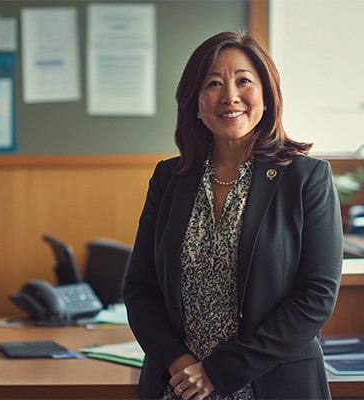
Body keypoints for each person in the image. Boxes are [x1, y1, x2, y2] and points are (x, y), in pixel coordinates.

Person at [122, 31, 343, 400]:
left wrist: (215, 373)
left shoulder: (307, 179)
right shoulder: (168, 179)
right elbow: (140, 287)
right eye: (213, 83)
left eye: (244, 81)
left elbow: (316, 297)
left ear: (266, 95)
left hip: (274, 386)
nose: (230, 96)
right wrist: (179, 364)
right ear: (195, 100)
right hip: (179, 388)